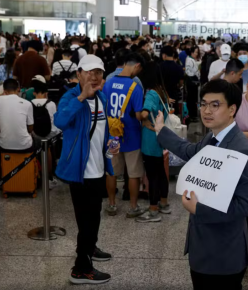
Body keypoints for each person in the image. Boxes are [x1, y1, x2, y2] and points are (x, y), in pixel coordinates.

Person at [154, 79, 248, 290]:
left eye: (215, 105)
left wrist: (198, 209)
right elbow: (189, 151)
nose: (206, 110)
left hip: (223, 255)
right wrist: (161, 131)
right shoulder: (213, 137)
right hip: (203, 248)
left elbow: (245, 205)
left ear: (232, 109)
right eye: (203, 104)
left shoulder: (241, 150)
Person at [54, 54, 117, 285]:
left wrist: (111, 149)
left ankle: (90, 248)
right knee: (86, 221)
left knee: (94, 217)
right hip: (80, 173)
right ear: (79, 73)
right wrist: (82, 96)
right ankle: (81, 269)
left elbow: (104, 131)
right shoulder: (71, 97)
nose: (94, 76)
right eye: (89, 72)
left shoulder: (102, 97)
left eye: (98, 72)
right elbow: (60, 122)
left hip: (98, 169)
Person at [103, 53, 146, 218]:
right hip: (131, 137)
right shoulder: (135, 87)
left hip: (113, 135)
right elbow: (138, 115)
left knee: (112, 171)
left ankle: (112, 204)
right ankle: (133, 207)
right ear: (136, 66)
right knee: (134, 173)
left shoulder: (108, 83)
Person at [135, 65, 171, 223]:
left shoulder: (150, 93)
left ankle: (153, 209)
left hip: (150, 140)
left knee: (152, 175)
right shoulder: (161, 92)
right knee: (161, 172)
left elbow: (144, 112)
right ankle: (164, 203)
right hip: (159, 137)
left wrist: (140, 117)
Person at [0, 79, 34, 153]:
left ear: (4, 91)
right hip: (25, 146)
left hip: (5, 145)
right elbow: (30, 128)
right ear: (18, 89)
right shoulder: (27, 103)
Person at [185, 46, 201, 121]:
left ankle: (192, 114)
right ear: (192, 53)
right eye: (196, 52)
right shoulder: (190, 60)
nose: (197, 54)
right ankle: (192, 115)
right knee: (192, 99)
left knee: (192, 98)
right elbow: (195, 71)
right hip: (192, 81)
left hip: (192, 80)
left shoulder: (190, 59)